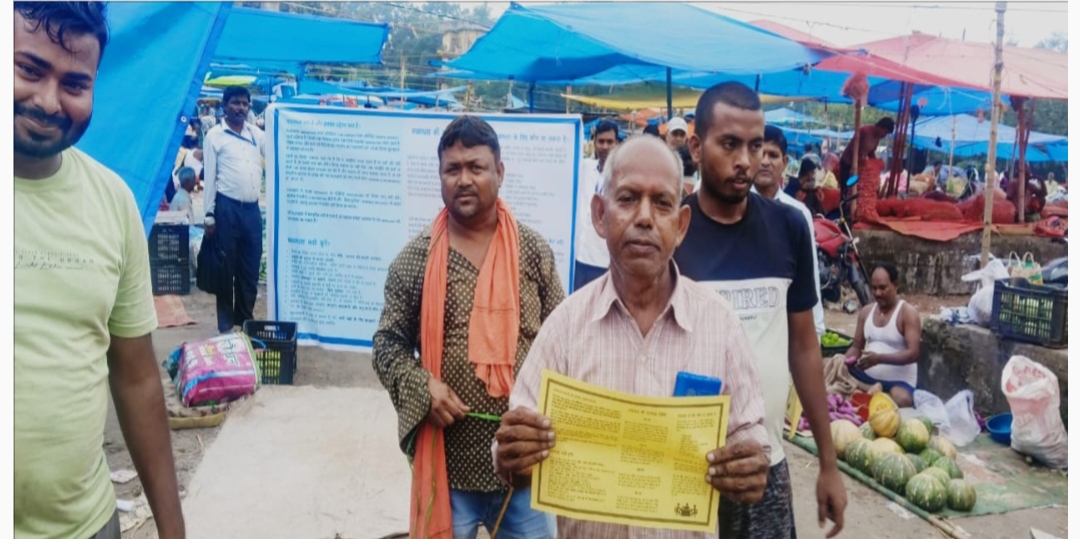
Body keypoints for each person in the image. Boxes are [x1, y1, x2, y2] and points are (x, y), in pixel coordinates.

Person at [493, 135, 772, 537]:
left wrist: (749, 464)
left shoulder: (720, 325)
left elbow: (750, 434)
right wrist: (512, 454)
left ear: (681, 225)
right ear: (600, 215)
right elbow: (514, 447)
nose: (644, 217)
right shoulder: (566, 326)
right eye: (627, 198)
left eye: (662, 203)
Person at [14, 3, 185, 539]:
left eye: (75, 83)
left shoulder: (112, 202)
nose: (48, 101)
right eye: (28, 69)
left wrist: (173, 530)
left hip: (87, 526)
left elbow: (137, 379)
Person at [372, 116, 564, 539]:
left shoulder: (533, 251)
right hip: (449, 466)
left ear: (500, 172)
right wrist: (423, 387)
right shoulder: (415, 260)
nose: (463, 179)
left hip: (523, 466)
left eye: (476, 167)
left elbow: (562, 341)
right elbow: (387, 344)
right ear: (439, 175)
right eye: (452, 169)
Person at [676, 81, 846, 539]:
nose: (746, 161)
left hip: (763, 464)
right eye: (729, 144)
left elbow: (804, 348)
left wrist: (828, 463)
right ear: (697, 147)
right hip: (684, 466)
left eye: (755, 146)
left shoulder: (788, 227)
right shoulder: (673, 231)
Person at [753, 126, 826, 338]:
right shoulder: (734, 208)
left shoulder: (798, 213)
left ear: (784, 163)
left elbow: (809, 274)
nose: (765, 161)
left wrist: (816, 329)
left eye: (773, 155)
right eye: (760, 154)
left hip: (784, 318)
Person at [203, 85, 265, 334]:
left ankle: (245, 321)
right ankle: (226, 327)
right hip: (226, 210)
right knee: (225, 269)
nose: (241, 108)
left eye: (245, 103)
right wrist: (209, 215)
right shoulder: (214, 136)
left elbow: (277, 146)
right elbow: (209, 178)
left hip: (252, 211)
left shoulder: (256, 134)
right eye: (235, 103)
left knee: (250, 269)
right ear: (224, 105)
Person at [844, 263, 921, 408]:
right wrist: (848, 359)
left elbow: (913, 354)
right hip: (867, 377)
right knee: (835, 366)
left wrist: (879, 359)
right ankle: (872, 391)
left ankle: (868, 392)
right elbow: (856, 346)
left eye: (882, 288)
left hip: (899, 382)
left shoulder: (907, 313)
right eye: (874, 288)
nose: (877, 293)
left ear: (895, 285)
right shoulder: (866, 312)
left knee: (902, 398)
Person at [574, 120, 620, 290]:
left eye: (609, 142)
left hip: (605, 261)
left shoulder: (623, 177)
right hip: (579, 258)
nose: (605, 146)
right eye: (601, 141)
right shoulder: (584, 168)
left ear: (617, 144)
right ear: (594, 143)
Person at [839, 117, 895, 200]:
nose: (885, 135)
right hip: (848, 163)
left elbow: (871, 153)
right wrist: (860, 158)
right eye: (885, 132)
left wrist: (876, 165)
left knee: (857, 189)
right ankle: (844, 205)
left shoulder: (877, 138)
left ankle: (853, 205)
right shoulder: (865, 131)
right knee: (847, 188)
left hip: (859, 166)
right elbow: (853, 147)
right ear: (881, 127)